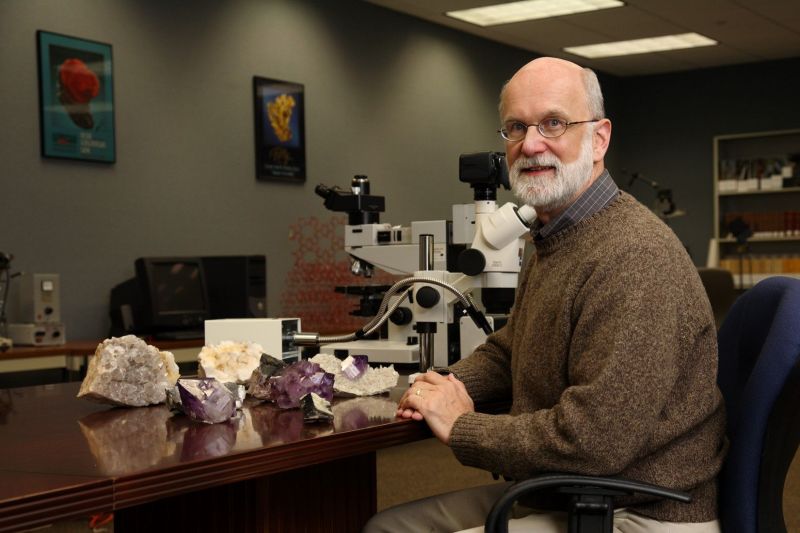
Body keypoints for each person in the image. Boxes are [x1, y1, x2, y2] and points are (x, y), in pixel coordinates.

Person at [364, 57, 727, 532]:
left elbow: (593, 440)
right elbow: (511, 348)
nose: (531, 145)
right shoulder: (554, 235)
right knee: (387, 528)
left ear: (599, 139)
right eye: (516, 127)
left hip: (638, 510)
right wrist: (445, 385)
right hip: (572, 490)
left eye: (553, 123)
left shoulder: (634, 256)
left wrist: (461, 425)